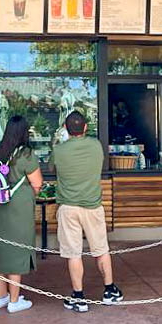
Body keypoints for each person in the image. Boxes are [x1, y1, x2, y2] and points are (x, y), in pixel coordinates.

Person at [50, 111, 122, 313]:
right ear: (85, 127)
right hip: (93, 206)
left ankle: (79, 296)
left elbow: (52, 168)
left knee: (73, 253)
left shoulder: (59, 150)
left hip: (68, 207)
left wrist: (58, 143)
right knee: (101, 249)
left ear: (65, 128)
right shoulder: (96, 145)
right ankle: (109, 290)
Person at [0, 115, 43, 313]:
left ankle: (1, 296)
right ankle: (14, 300)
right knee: (16, 250)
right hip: (18, 207)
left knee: (0, 250)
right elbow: (37, 183)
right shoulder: (26, 154)